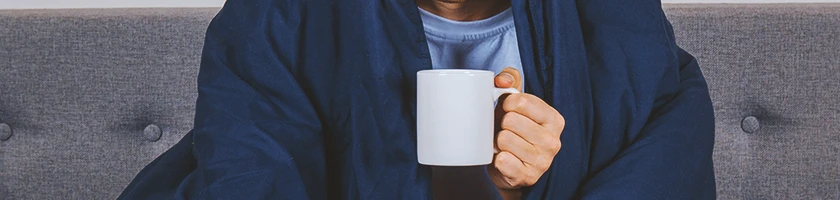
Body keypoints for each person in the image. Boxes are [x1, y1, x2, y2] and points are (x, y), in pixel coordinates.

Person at [119, 0, 716, 199]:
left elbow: (665, 149)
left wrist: (514, 192)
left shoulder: (613, 28)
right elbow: (245, 161)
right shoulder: (279, 18)